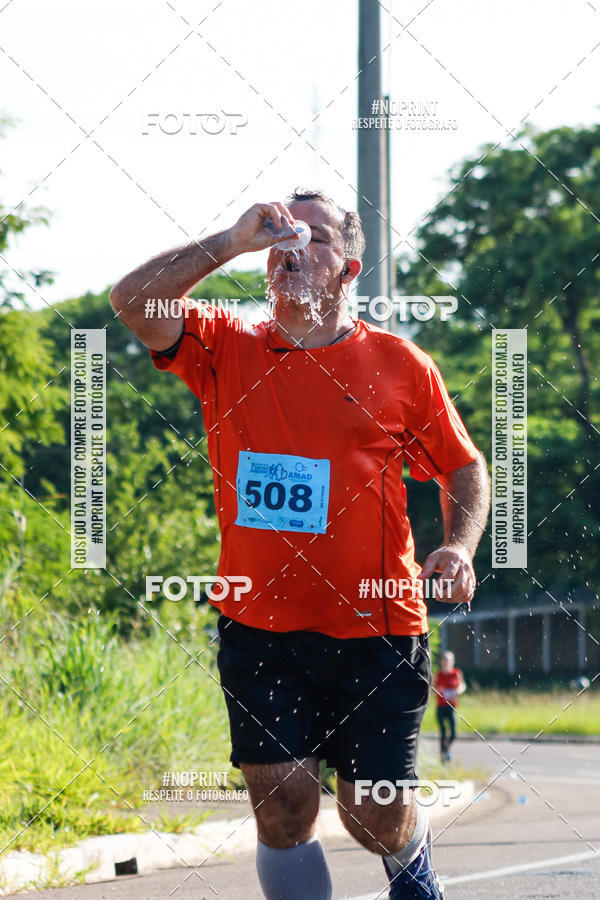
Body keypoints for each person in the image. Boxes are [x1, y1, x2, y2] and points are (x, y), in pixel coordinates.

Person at [110, 189, 491, 900]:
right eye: (281, 233)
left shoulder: (400, 365)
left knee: (372, 813)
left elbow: (464, 467)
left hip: (375, 627)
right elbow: (132, 301)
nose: (291, 245)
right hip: (260, 627)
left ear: (348, 272)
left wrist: (459, 546)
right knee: (282, 808)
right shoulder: (226, 346)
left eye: (314, 238)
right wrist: (229, 241)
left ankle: (411, 866)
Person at [433, 651, 466, 763]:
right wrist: (438, 690)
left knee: (453, 733)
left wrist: (458, 691)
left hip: (451, 706)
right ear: (442, 662)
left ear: (452, 662)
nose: (447, 662)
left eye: (449, 660)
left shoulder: (456, 673)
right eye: (445, 660)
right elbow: (432, 690)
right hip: (440, 706)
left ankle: (445, 751)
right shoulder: (438, 675)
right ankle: (443, 757)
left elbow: (462, 685)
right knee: (443, 732)